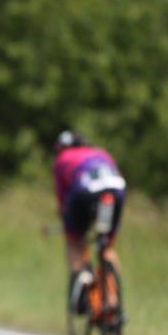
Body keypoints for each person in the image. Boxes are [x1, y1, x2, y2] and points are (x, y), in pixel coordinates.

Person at [52, 131, 126, 312]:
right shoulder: (102, 152)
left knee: (75, 242)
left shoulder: (63, 159)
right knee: (107, 246)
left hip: (84, 190)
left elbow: (63, 200)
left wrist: (69, 223)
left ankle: (82, 282)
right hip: (115, 189)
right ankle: (112, 299)